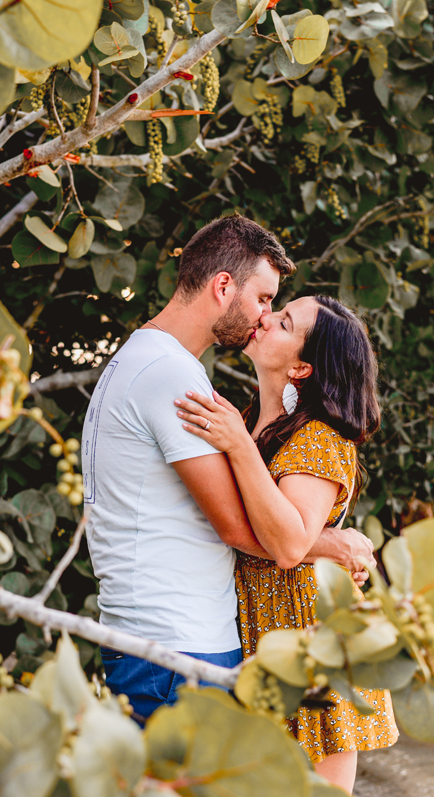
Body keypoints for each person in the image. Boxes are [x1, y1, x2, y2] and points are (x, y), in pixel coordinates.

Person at [81, 216, 375, 725]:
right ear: (223, 286)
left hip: (160, 641)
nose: (264, 315)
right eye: (264, 299)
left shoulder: (144, 357)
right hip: (176, 645)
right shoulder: (173, 376)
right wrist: (331, 544)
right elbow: (239, 526)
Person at [174, 294, 397, 794]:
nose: (264, 317)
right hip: (257, 634)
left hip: (308, 642)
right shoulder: (255, 421)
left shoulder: (318, 437)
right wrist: (334, 543)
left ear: (301, 367)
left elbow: (289, 543)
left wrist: (235, 445)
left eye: (283, 321)